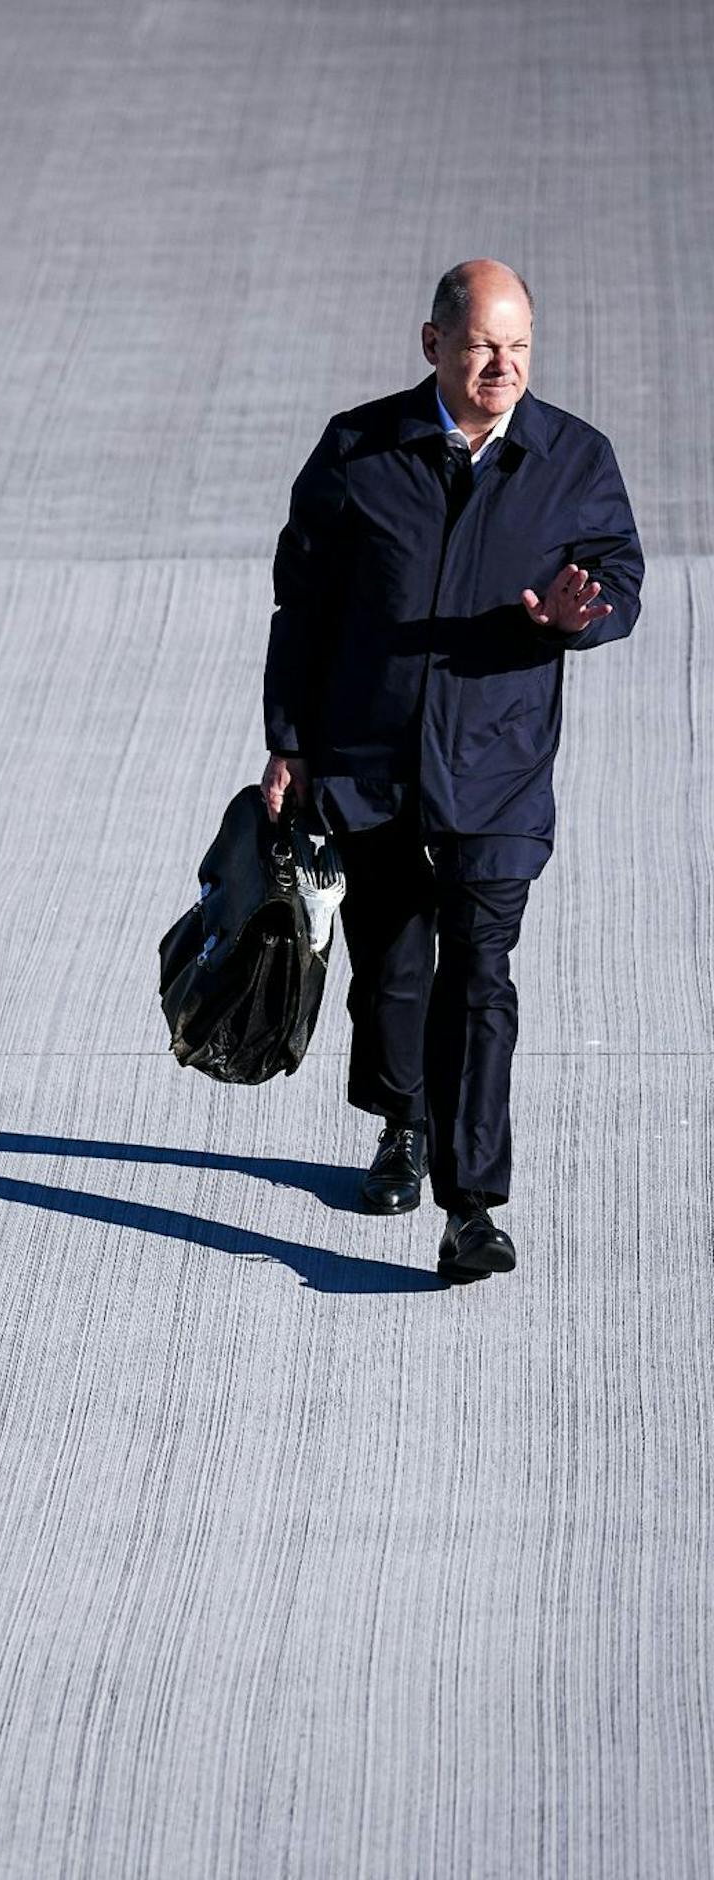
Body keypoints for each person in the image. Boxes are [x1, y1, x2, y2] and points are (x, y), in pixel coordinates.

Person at [259, 259, 642, 1278]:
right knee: (389, 971)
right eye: (479, 346)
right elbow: (300, 603)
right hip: (368, 761)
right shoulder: (356, 449)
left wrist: (582, 612)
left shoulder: (571, 458)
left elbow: (619, 573)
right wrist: (287, 740)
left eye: (517, 348)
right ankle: (401, 1119)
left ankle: (469, 1206)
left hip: (495, 767)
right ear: (431, 344)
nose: (500, 367)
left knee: (478, 977)